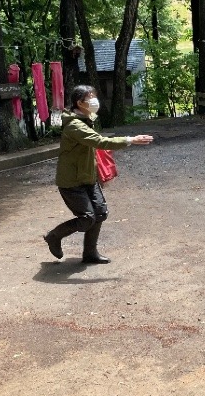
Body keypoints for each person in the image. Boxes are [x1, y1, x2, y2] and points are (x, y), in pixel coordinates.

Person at [43, 85, 153, 263]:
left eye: (94, 96)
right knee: (87, 218)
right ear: (79, 103)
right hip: (71, 182)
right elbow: (99, 141)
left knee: (100, 213)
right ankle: (54, 236)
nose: (94, 100)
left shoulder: (86, 118)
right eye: (90, 97)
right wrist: (130, 140)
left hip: (88, 177)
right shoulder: (75, 125)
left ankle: (90, 253)